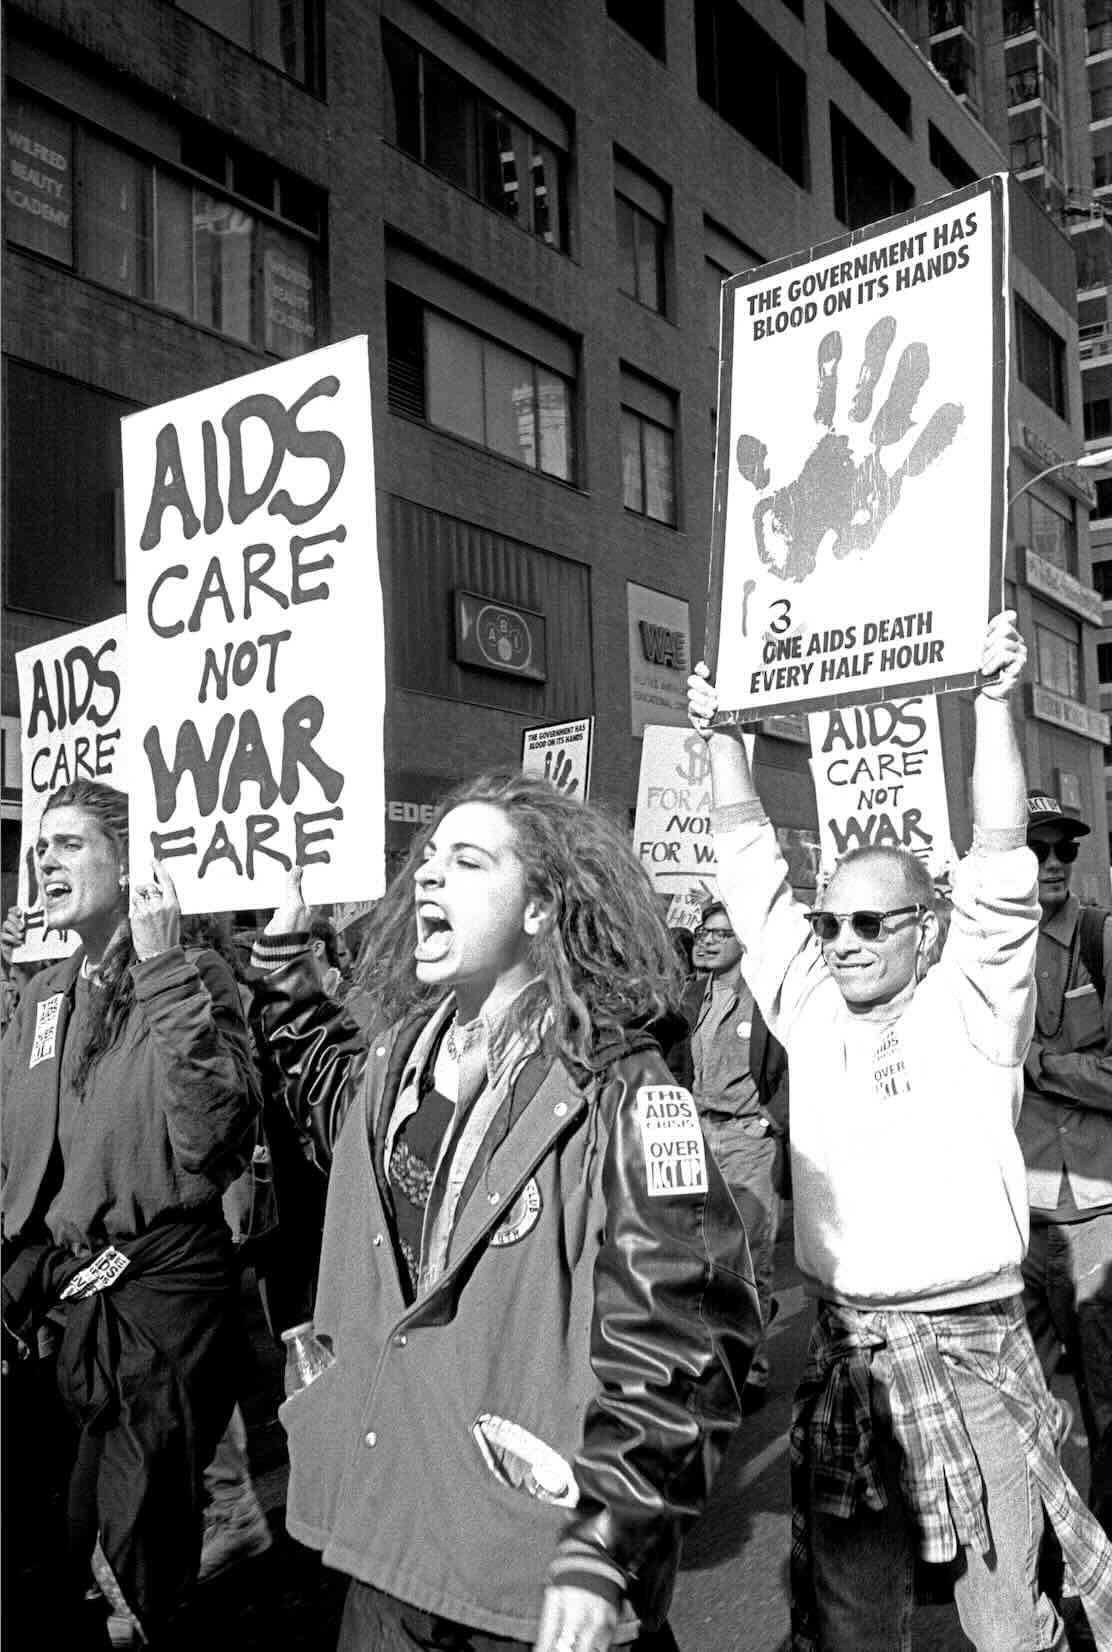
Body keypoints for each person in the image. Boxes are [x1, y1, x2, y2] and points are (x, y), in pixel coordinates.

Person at [250, 769, 760, 1652]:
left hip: (527, 1570)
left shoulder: (624, 1090)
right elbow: (334, 1101)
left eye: (469, 861)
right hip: (388, 1534)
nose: (429, 874)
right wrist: (289, 969)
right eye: (429, 857)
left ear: (541, 909)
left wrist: (609, 1540)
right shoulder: (397, 1060)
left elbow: (689, 1325)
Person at [687, 614, 1112, 1652]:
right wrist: (725, 739)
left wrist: (991, 703)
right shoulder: (808, 1008)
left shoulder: (973, 1006)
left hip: (973, 1354)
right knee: (854, 1625)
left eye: (869, 923)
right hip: (852, 1364)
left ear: (926, 931)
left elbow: (1000, 860)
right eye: (829, 921)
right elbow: (750, 872)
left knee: (1005, 1623)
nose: (841, 941)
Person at [0, 779, 260, 1647]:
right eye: (42, 846)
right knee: (59, 1536)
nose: (46, 860)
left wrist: (161, 969)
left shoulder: (195, 976)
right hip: (69, 1293)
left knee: (130, 1538)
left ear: (130, 865)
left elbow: (212, 1133)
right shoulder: (45, 997)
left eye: (70, 844)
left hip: (160, 1293)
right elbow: (16, 1148)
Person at [1019, 789, 1112, 1536]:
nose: (1053, 863)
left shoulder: (1100, 939)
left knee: (1105, 1402)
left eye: (1064, 849)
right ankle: (1040, 1551)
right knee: (1008, 1402)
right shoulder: (972, 952)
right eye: (1035, 848)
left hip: (1093, 1213)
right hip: (1009, 1216)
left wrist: (1041, 1065)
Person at [685, 899, 788, 1413]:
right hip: (698, 1137)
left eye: (720, 934)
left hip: (749, 1140)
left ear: (744, 942)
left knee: (747, 1260)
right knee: (700, 1258)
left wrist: (772, 1119)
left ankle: (751, 1371)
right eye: (704, 932)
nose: (707, 940)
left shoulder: (768, 998)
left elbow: (800, 1060)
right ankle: (709, 1362)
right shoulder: (690, 995)